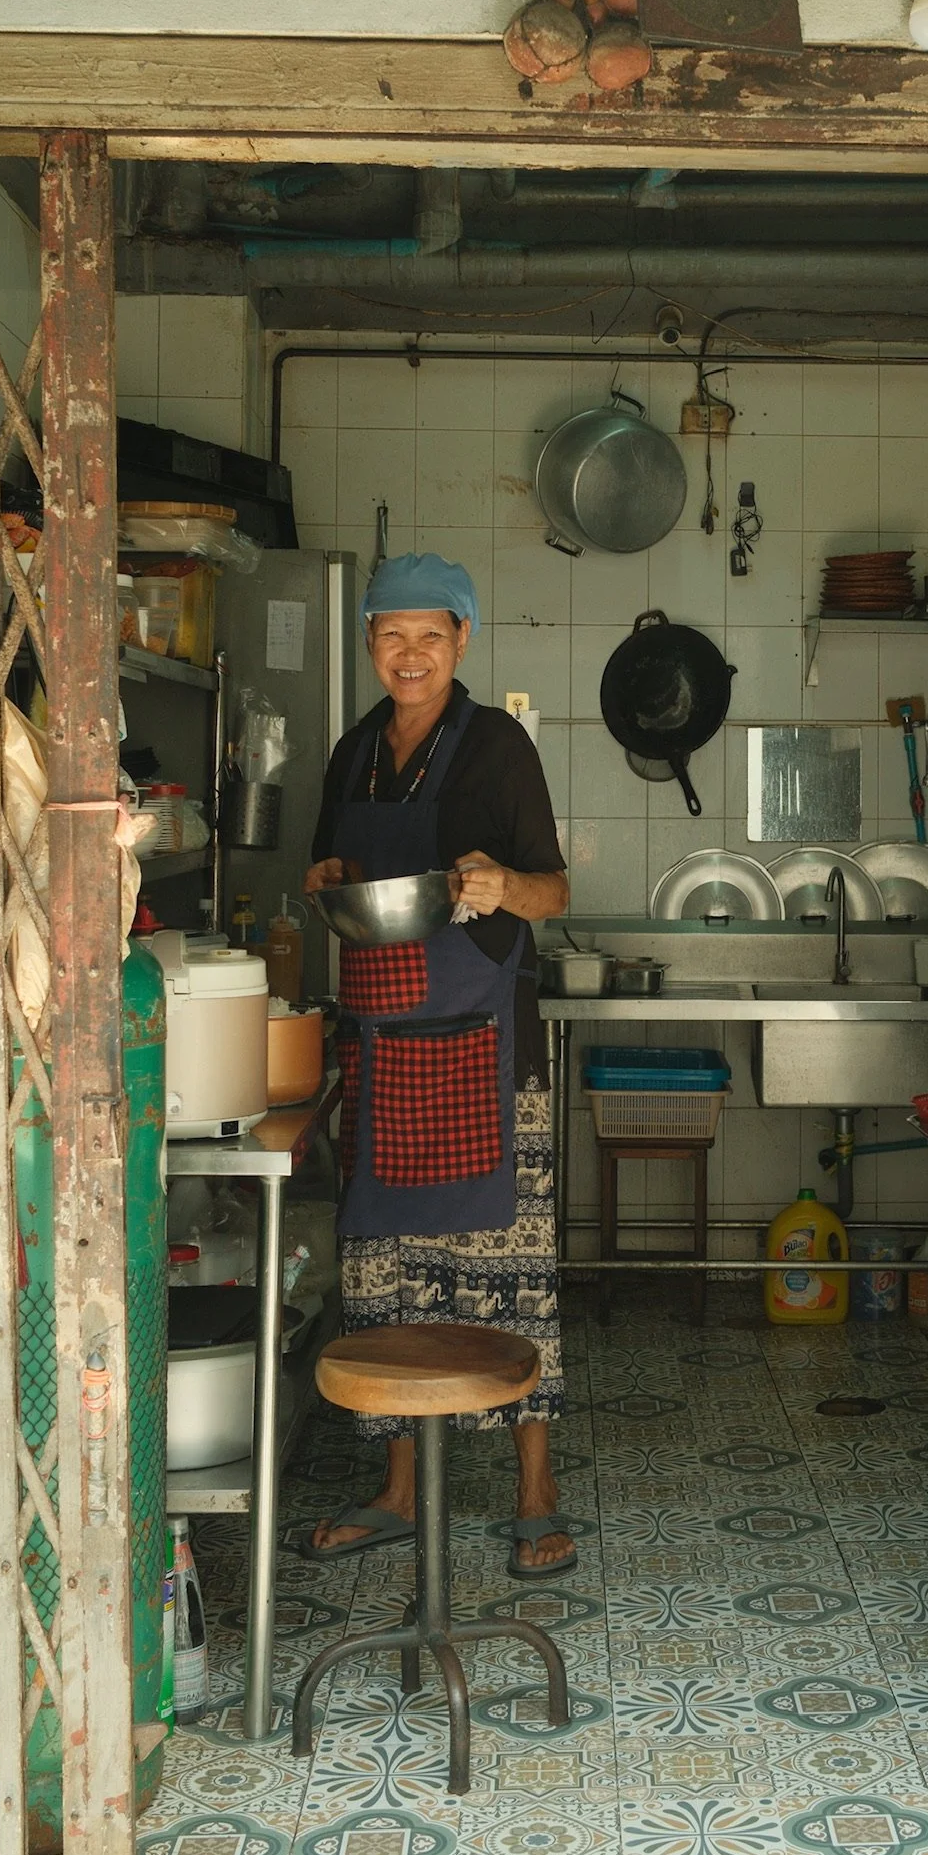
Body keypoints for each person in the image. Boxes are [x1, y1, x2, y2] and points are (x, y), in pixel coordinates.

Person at [303, 551, 574, 1577]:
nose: (408, 655)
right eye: (390, 636)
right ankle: (398, 1490)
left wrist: (504, 883)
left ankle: (538, 1493)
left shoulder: (496, 747)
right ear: (370, 644)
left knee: (510, 1279)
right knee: (391, 1277)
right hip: (385, 1043)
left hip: (488, 1048)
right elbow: (333, 873)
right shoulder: (356, 751)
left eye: (429, 636)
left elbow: (552, 893)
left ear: (461, 639)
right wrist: (325, 873)